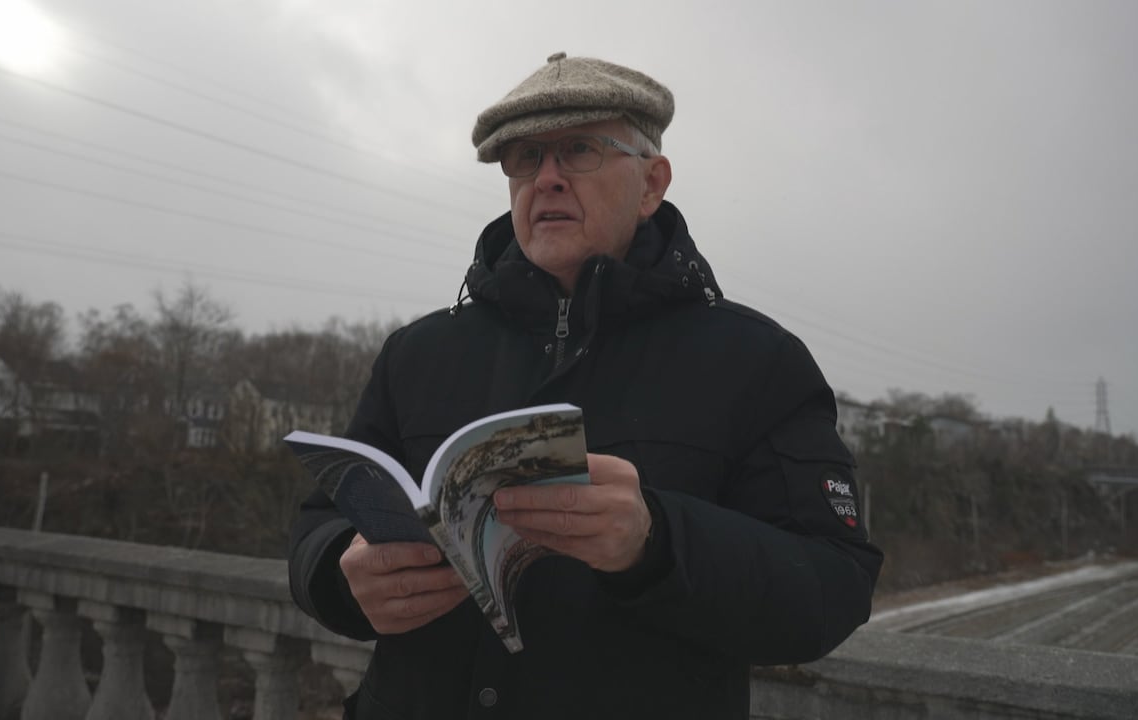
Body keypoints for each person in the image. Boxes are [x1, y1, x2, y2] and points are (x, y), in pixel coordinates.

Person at [289, 52, 883, 720]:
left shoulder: (755, 359)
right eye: (524, 157)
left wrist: (657, 542)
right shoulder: (419, 352)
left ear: (652, 183)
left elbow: (834, 587)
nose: (546, 178)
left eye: (578, 150)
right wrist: (339, 574)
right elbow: (321, 520)